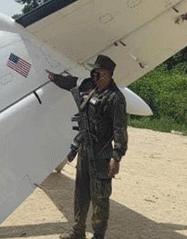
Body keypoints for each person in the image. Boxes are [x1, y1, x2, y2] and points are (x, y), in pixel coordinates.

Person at [49, 55, 128, 239]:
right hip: (85, 151)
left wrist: (116, 157)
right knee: (81, 193)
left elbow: (120, 130)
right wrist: (54, 78)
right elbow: (71, 84)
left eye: (98, 72)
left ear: (106, 74)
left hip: (101, 155)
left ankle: (98, 236)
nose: (94, 75)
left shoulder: (115, 98)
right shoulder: (91, 89)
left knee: (100, 199)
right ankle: (78, 232)